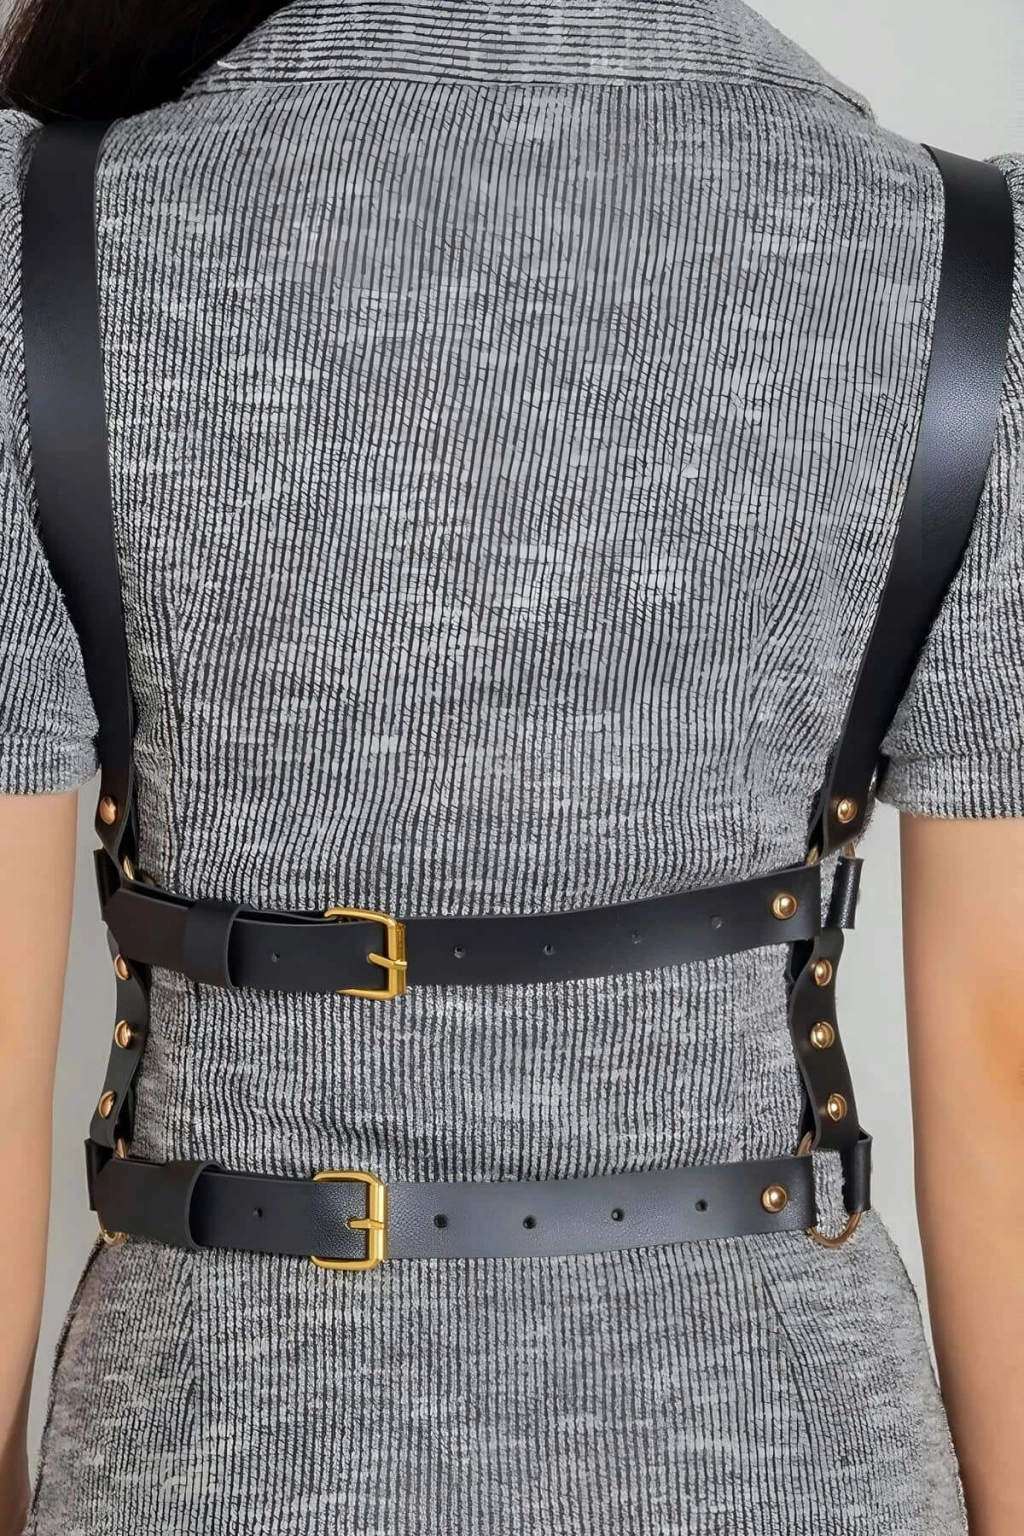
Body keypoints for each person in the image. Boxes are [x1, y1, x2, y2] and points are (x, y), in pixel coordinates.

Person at [0, 1, 1022, 1532]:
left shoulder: (44, 241)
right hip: (788, 1455)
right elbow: (1005, 1043)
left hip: (214, 1457)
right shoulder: (962, 263)